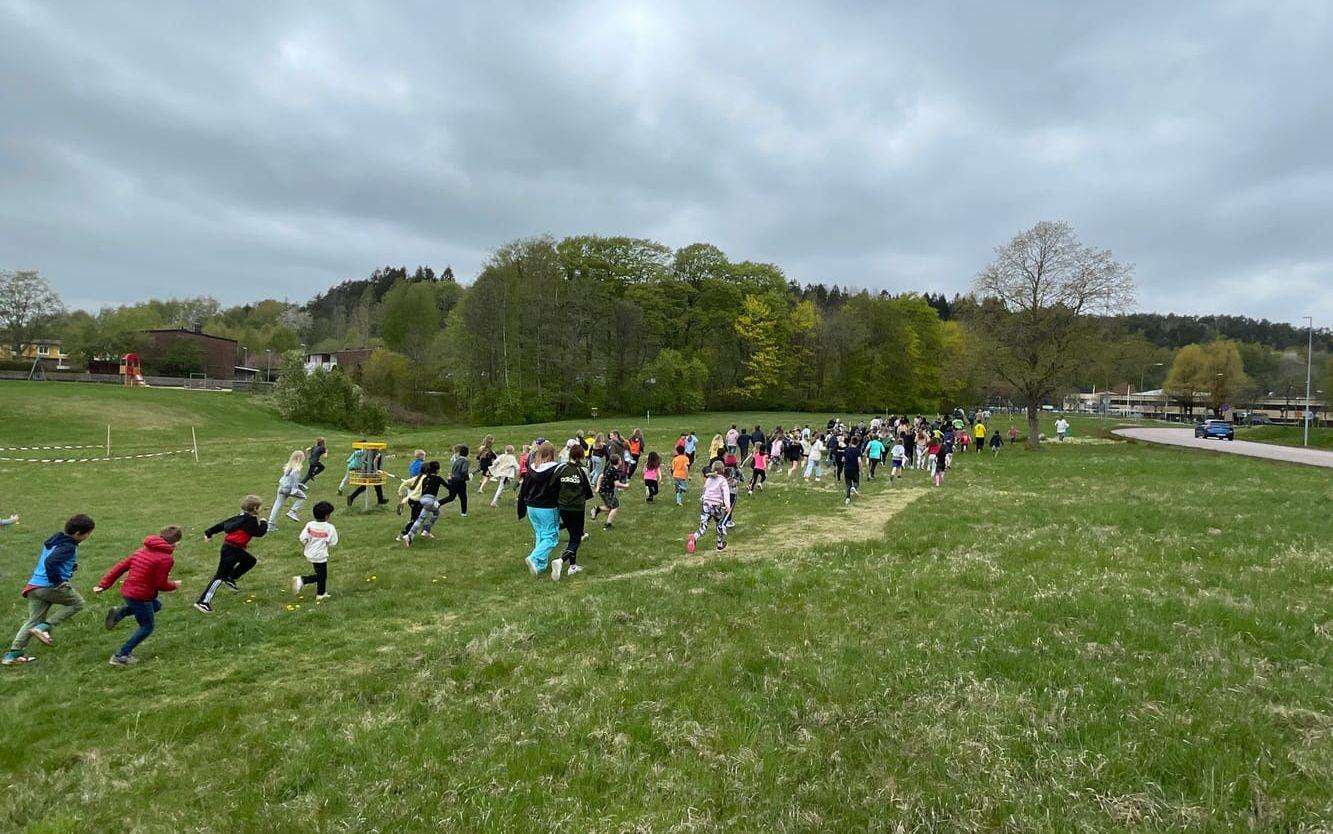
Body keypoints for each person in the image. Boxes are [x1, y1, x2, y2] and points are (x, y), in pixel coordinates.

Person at [2, 514, 95, 666]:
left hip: (34, 586)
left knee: (33, 620)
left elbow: (53, 558)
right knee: (77, 603)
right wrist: (58, 582)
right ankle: (44, 627)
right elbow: (50, 561)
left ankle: (13, 654)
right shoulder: (68, 546)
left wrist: (69, 567)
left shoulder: (57, 539)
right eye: (88, 533)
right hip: (48, 586)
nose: (88, 536)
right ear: (78, 534)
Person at [96, 525, 182, 666]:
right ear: (176, 542)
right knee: (147, 626)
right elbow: (160, 584)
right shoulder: (166, 559)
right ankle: (120, 655)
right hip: (141, 595)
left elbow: (121, 567)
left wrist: (103, 584)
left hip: (129, 591)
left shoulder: (143, 550)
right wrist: (174, 585)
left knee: (157, 606)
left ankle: (120, 612)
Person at [194, 496, 267, 613]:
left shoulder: (240, 517)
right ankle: (203, 602)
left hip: (232, 548)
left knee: (250, 561)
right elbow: (259, 533)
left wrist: (209, 533)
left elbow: (222, 525)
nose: (262, 508)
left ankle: (231, 577)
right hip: (231, 550)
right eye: (260, 506)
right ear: (255, 508)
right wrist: (263, 523)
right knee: (219, 576)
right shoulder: (250, 521)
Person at [552, 445, 594, 580]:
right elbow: (588, 489)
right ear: (582, 455)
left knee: (572, 536)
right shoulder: (583, 470)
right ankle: (561, 561)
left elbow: (553, 485)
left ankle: (573, 566)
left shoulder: (561, 468)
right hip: (577, 508)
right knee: (576, 538)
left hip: (563, 507)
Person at [519, 442, 561, 576]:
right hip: (547, 507)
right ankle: (534, 557)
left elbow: (524, 488)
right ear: (551, 454)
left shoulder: (531, 469)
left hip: (531, 506)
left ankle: (540, 565)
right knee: (551, 537)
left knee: (540, 534)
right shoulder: (555, 469)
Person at [293, 501, 338, 600]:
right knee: (322, 576)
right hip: (320, 554)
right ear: (327, 516)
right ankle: (302, 580)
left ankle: (321, 594)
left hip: (310, 552)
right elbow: (333, 542)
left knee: (321, 574)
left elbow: (302, 538)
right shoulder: (330, 528)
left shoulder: (309, 525)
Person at [686, 461, 731, 554]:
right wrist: (728, 506)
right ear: (723, 470)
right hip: (716, 506)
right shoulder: (723, 481)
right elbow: (726, 494)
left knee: (703, 526)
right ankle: (720, 544)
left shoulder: (709, 479)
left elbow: (705, 491)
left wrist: (703, 500)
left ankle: (694, 537)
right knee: (719, 525)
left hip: (706, 505)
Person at [400, 461, 444, 546]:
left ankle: (425, 531)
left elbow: (406, 483)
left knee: (422, 516)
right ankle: (403, 535)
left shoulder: (420, 477)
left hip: (414, 500)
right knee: (417, 519)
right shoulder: (426, 478)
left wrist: (401, 492)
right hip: (418, 501)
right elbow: (418, 491)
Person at [267, 450, 308, 530]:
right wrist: (295, 489)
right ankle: (292, 511)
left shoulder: (289, 466)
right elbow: (293, 478)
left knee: (277, 505)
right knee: (303, 497)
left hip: (281, 487)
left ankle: (271, 525)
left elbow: (287, 479)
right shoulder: (296, 468)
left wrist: (300, 485)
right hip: (288, 489)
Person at [591, 453, 629, 530]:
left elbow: (601, 476)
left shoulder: (609, 468)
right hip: (606, 492)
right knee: (615, 506)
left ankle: (597, 509)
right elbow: (617, 484)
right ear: (618, 461)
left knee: (610, 507)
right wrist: (626, 485)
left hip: (605, 491)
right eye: (620, 459)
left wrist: (598, 487)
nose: (621, 460)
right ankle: (608, 524)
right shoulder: (615, 471)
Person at [842, 435, 863, 505]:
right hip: (855, 469)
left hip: (847, 469)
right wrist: (861, 469)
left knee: (848, 484)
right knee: (856, 481)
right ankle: (854, 487)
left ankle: (848, 498)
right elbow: (859, 461)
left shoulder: (846, 450)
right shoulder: (858, 451)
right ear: (857, 443)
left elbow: (843, 459)